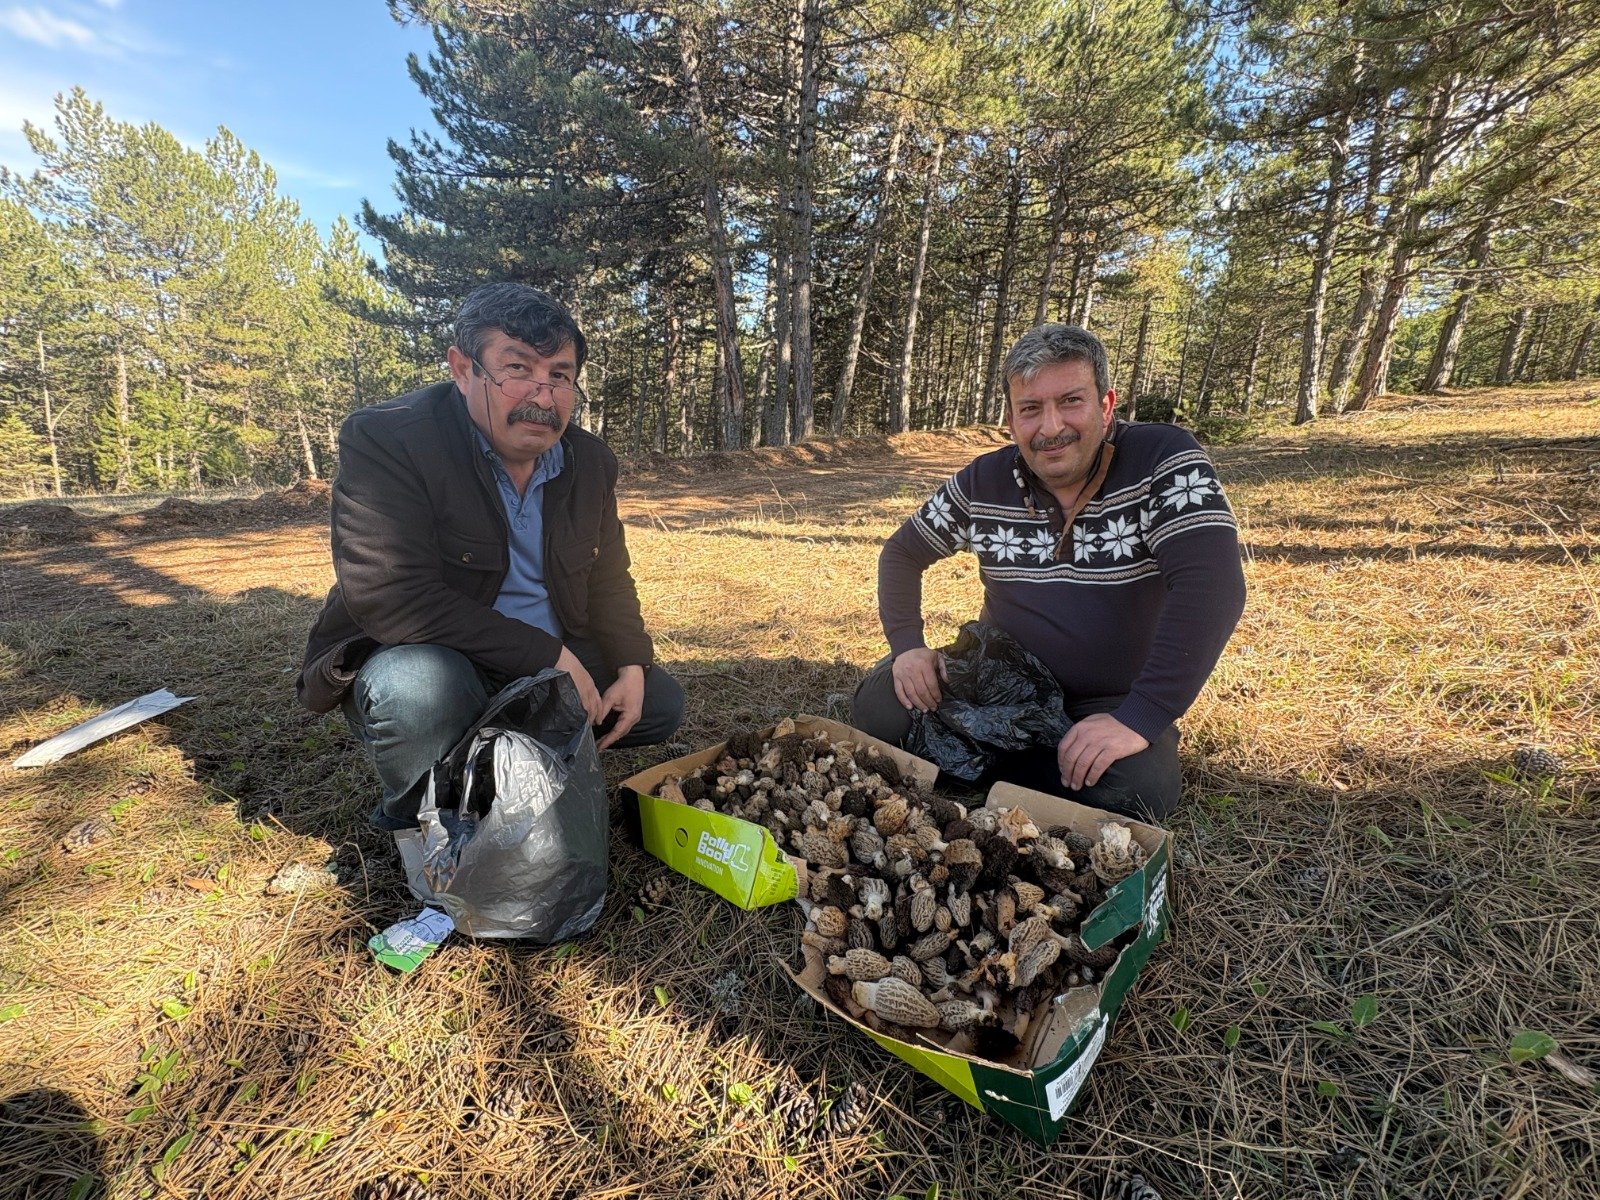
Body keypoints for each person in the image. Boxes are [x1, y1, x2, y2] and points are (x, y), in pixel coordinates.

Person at [297, 282, 683, 828]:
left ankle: (503, 765)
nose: (543, 398)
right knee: (417, 693)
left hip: (548, 655)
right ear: (462, 370)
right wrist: (550, 657)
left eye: (560, 376)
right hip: (441, 657)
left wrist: (630, 663)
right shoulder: (389, 439)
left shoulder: (590, 461)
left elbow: (608, 576)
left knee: (658, 704)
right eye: (517, 369)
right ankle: (426, 826)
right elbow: (390, 596)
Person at [852, 323, 1245, 821]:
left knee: (1139, 788)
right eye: (1031, 408)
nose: (1051, 426)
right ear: (1012, 420)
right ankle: (1033, 772)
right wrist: (908, 645)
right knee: (879, 707)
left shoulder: (1163, 461)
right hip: (998, 678)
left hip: (1108, 700)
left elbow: (1212, 587)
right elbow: (902, 554)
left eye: (1071, 401)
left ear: (1106, 405)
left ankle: (985, 764)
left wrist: (1141, 716)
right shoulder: (984, 480)